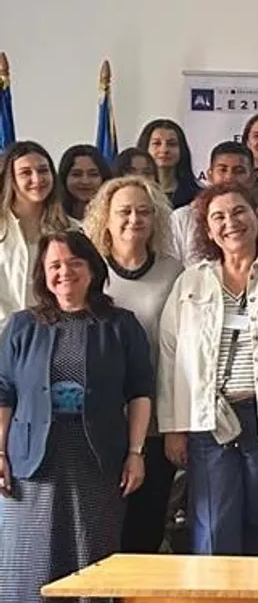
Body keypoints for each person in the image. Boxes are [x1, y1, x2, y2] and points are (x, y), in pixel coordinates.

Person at [157, 183, 258, 556]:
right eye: (219, 217)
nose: (231, 222)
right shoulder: (190, 281)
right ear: (208, 231)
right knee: (212, 529)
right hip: (209, 419)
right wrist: (174, 428)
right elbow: (169, 355)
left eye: (240, 211)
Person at [0, 231, 152, 602]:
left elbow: (140, 392)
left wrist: (136, 453)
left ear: (92, 269)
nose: (64, 272)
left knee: (92, 559)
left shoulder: (121, 325)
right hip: (30, 462)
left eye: (75, 263)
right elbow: (3, 393)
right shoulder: (21, 326)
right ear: (43, 274)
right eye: (55, 265)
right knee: (27, 564)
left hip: (96, 460)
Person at [83, 176, 183, 553]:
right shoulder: (87, 272)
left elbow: (182, 352)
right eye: (124, 211)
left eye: (144, 211)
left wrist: (175, 424)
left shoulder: (174, 272)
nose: (134, 219)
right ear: (105, 218)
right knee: (100, 526)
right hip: (100, 420)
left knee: (146, 524)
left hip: (155, 419)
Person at [169, 141, 258, 266]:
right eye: (222, 170)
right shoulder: (181, 219)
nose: (229, 177)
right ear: (210, 176)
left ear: (252, 177)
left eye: (239, 171)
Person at [0, 141, 75, 328]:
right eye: (26, 172)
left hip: (52, 334)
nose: (37, 179)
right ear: (11, 179)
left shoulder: (72, 230)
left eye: (43, 171)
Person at [138, 118, 201, 208]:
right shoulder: (133, 192)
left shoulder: (198, 196)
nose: (164, 150)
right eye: (156, 143)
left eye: (172, 144)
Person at [57, 145, 111, 221]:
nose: (85, 181)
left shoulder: (113, 217)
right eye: (76, 174)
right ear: (64, 177)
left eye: (93, 174)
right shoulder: (52, 217)